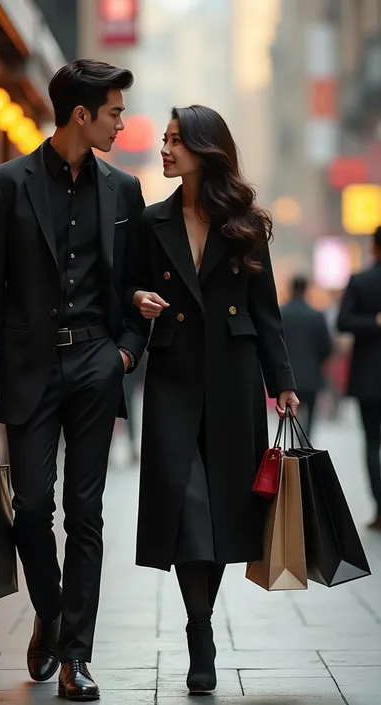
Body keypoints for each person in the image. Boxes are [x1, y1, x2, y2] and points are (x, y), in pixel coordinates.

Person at [0, 59, 148, 701]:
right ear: (82, 115)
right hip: (27, 369)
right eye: (115, 113)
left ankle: (76, 657)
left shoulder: (123, 190)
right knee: (33, 508)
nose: (121, 123)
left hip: (96, 364)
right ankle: (54, 611)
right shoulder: (7, 182)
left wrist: (125, 352)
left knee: (86, 512)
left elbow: (134, 286)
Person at [130, 105, 299, 695]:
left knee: (226, 513)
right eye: (166, 140)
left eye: (177, 141)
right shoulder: (151, 221)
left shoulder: (244, 223)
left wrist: (283, 382)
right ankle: (200, 632)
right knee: (187, 508)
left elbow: (266, 312)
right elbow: (129, 286)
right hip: (174, 376)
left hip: (233, 379)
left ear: (206, 149)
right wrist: (139, 300)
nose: (166, 149)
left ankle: (199, 626)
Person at [337, 224, 381, 531]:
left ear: (374, 247)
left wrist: (373, 322)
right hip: (369, 380)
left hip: (369, 379)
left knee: (372, 443)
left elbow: (343, 322)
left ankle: (380, 507)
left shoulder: (361, 281)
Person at [281, 275, 332, 437]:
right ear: (305, 290)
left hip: (287, 375)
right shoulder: (316, 316)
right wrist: (316, 362)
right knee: (309, 415)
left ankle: (291, 447)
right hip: (311, 375)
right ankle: (306, 443)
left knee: (288, 413)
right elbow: (327, 347)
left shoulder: (281, 314)